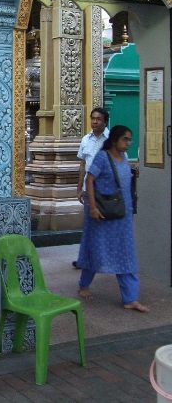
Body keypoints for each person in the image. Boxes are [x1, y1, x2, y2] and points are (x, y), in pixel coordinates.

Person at [77, 125, 149, 312]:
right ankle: (84, 285)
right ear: (115, 139)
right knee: (95, 249)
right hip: (102, 215)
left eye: (129, 139)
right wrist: (92, 207)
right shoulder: (102, 157)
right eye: (125, 139)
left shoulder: (124, 159)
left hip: (122, 216)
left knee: (126, 254)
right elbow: (90, 180)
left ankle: (130, 298)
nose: (128, 143)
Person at [73, 108, 109, 269]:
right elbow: (82, 165)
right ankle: (85, 259)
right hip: (89, 190)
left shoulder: (111, 141)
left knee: (106, 225)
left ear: (105, 121)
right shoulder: (86, 139)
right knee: (88, 226)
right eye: (93, 118)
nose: (95, 121)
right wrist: (79, 187)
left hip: (106, 191)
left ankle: (105, 258)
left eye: (98, 119)